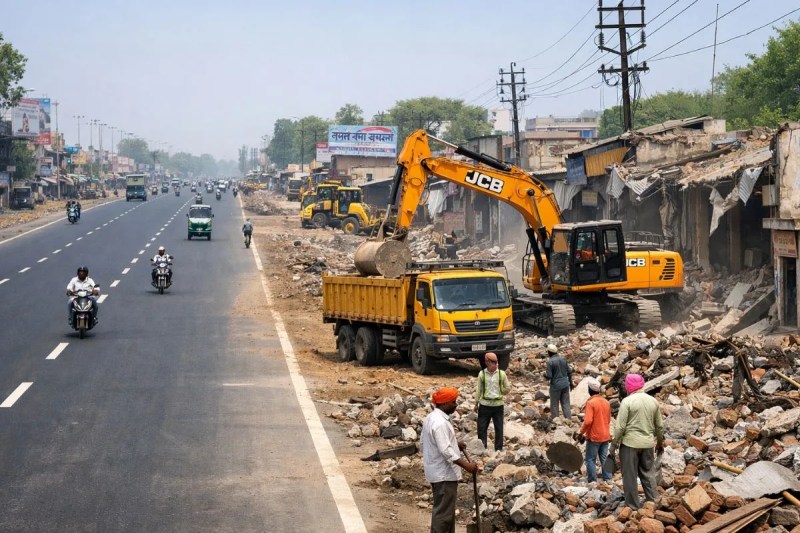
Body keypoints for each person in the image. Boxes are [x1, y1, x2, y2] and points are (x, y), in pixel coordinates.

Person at [421, 387, 479, 533]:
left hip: (437, 471)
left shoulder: (432, 418)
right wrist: (466, 465)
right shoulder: (440, 423)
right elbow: (446, 450)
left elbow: (429, 442)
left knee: (447, 512)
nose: (456, 405)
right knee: (443, 515)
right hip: (444, 474)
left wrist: (455, 444)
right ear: (444, 403)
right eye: (453, 402)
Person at [612, 373, 664, 509]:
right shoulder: (653, 401)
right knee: (648, 473)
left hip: (629, 444)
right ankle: (654, 502)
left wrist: (613, 444)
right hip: (648, 444)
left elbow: (620, 427)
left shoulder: (627, 401)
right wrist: (660, 442)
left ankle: (633, 507)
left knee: (630, 476)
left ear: (629, 386)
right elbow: (659, 426)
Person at [475, 352, 511, 452]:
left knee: (499, 428)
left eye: (495, 363)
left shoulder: (501, 374)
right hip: (485, 405)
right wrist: (476, 403)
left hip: (498, 405)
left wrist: (500, 391)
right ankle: (483, 448)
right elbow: (479, 390)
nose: (494, 365)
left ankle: (498, 449)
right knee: (482, 428)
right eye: (492, 362)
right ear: (487, 362)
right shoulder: (482, 374)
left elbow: (507, 388)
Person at [579, 378, 612, 483]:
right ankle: (608, 478)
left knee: (590, 459)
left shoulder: (591, 403)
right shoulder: (606, 402)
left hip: (594, 436)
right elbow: (608, 419)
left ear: (590, 390)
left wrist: (581, 433)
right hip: (605, 435)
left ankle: (592, 480)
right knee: (604, 458)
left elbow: (588, 421)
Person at [545, 344, 573, 419]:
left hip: (556, 385)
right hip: (565, 384)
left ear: (549, 352)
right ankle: (568, 420)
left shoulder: (550, 362)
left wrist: (545, 375)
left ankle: (556, 421)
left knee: (554, 404)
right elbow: (569, 372)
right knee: (566, 403)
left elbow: (549, 376)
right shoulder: (563, 359)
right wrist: (571, 383)